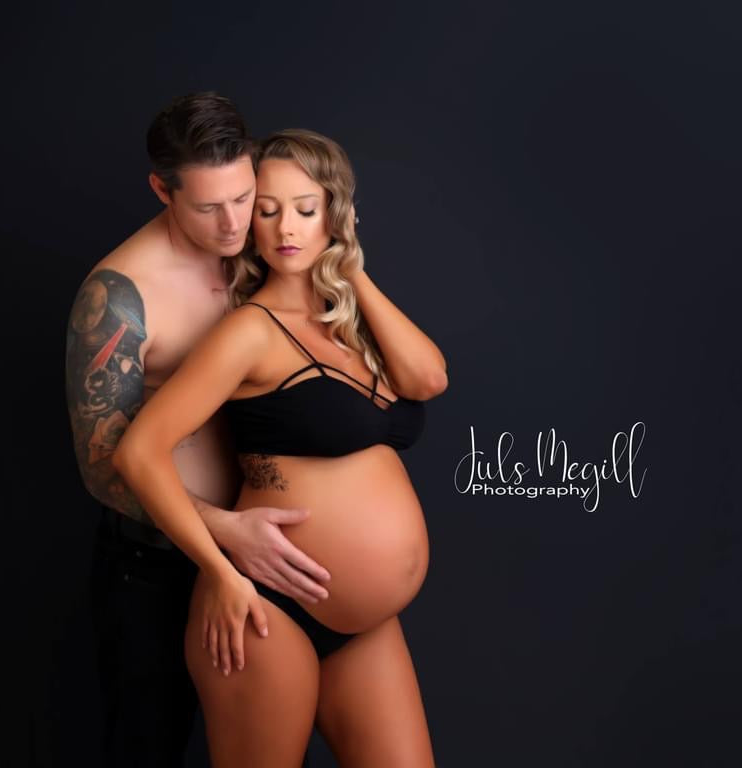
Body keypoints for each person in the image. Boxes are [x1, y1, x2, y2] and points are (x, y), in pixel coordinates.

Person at [115, 129, 449, 767]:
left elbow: (428, 378)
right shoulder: (249, 332)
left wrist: (350, 270)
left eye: (306, 208)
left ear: (336, 214)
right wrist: (220, 570)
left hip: (363, 623)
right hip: (267, 608)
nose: (285, 228)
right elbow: (138, 453)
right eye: (266, 211)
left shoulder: (350, 326)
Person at [66, 95, 331, 767]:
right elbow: (101, 466)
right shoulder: (120, 296)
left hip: (261, 553)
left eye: (243, 197)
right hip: (155, 564)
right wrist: (223, 532)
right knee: (148, 748)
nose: (233, 222)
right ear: (163, 190)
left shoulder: (263, 251)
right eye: (210, 207)